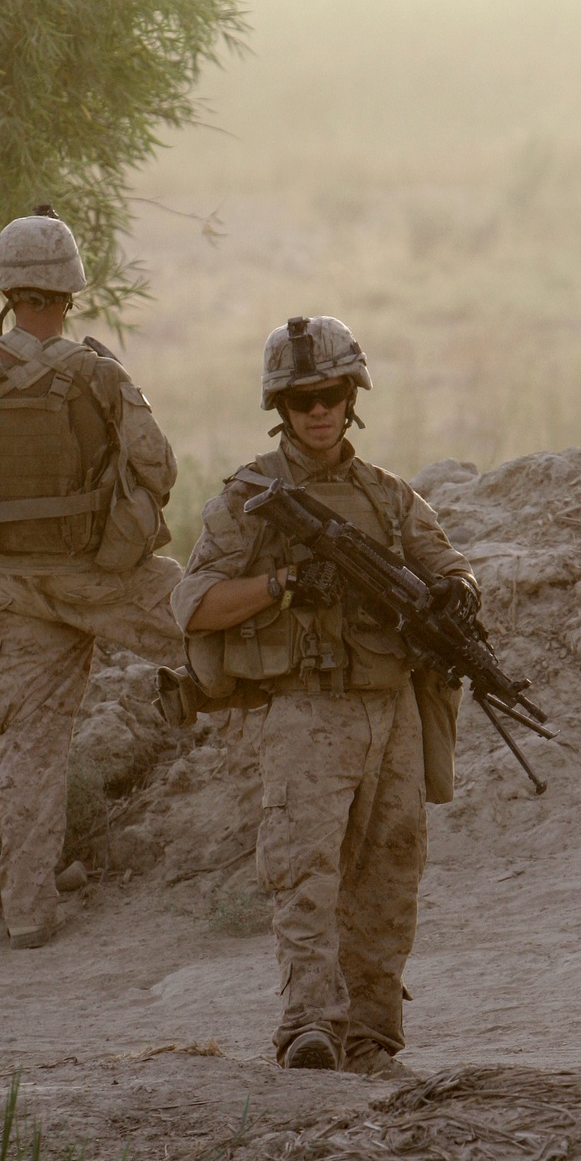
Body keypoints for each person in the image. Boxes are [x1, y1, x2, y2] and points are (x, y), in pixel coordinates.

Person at [170, 316, 478, 1076]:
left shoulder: (389, 499)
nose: (318, 410)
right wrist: (281, 584)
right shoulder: (252, 501)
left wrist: (455, 594)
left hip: (391, 708)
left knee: (390, 872)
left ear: (352, 396)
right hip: (307, 710)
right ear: (281, 405)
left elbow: (450, 566)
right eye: (302, 397)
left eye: (331, 393)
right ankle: (309, 1022)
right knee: (306, 870)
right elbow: (194, 605)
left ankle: (372, 1031)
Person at [0, 209, 182, 949]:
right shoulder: (99, 374)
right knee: (217, 631)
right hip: (102, 579)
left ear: (4, 290)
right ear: (69, 294)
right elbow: (158, 467)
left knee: (29, 746)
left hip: (12, 588)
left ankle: (28, 911)